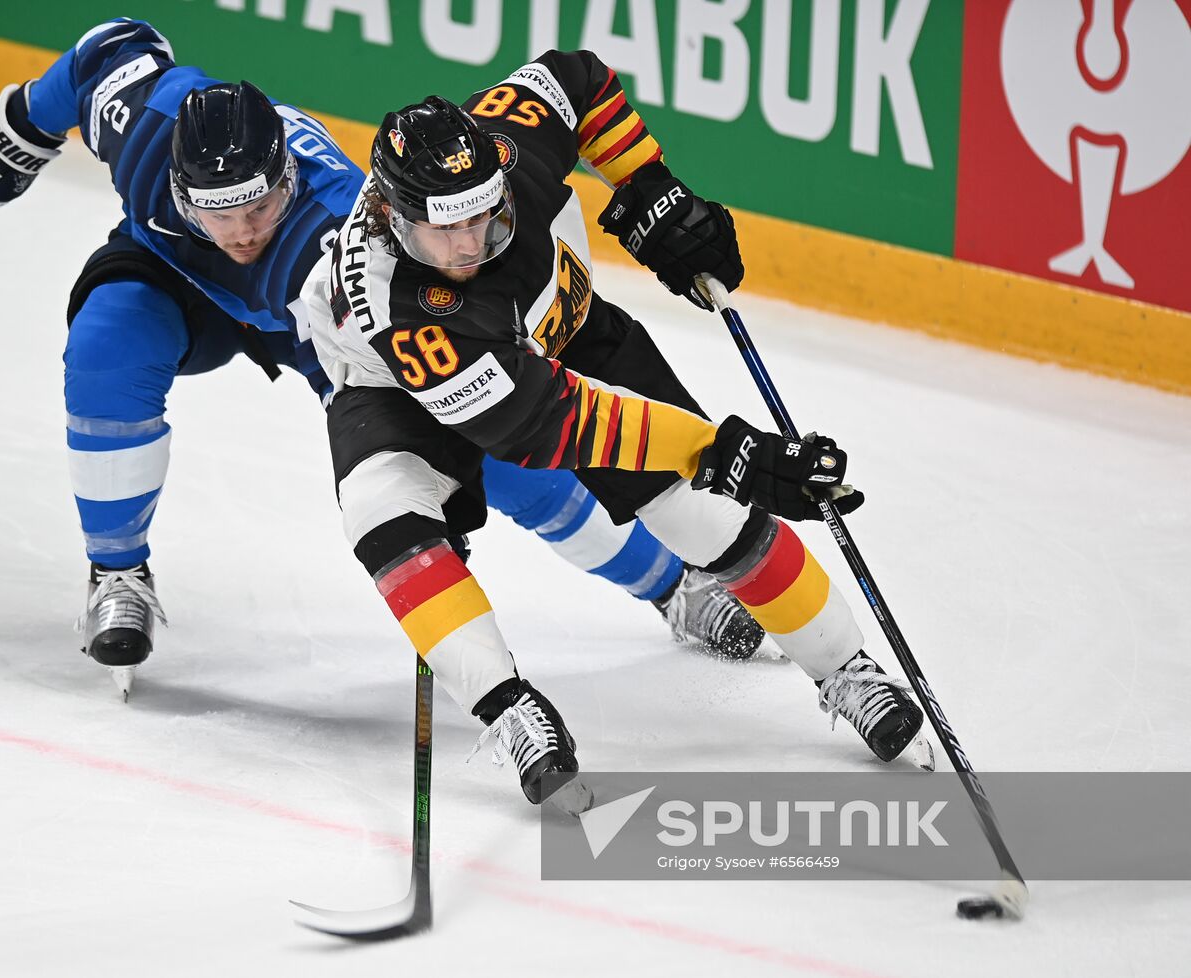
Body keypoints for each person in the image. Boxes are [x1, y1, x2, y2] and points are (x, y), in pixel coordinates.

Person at [0, 19, 764, 698]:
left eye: (260, 205)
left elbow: (462, 386)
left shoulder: (338, 241)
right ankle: (117, 574)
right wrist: (18, 123)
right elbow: (105, 51)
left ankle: (669, 583)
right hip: (171, 275)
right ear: (180, 189)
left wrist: (439, 445)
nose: (240, 231)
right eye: (216, 213)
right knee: (104, 347)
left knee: (508, 462)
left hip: (319, 324)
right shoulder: (149, 125)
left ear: (287, 178)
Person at [303, 52, 932, 809]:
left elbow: (577, 80)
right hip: (396, 392)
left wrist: (648, 183)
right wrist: (720, 451)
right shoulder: (408, 310)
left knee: (710, 517)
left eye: (482, 216)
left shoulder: (505, 144)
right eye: (447, 231)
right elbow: (558, 425)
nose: (470, 244)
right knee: (385, 517)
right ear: (395, 220)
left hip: (563, 337)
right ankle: (511, 709)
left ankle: (844, 668)